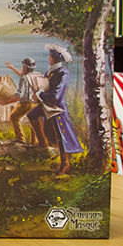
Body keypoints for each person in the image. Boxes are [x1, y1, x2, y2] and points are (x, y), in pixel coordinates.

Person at [27, 44, 83, 175]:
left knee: (60, 134)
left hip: (57, 108)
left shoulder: (64, 73)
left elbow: (56, 96)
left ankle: (65, 163)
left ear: (56, 59)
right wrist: (36, 93)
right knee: (31, 115)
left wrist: (40, 95)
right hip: (47, 104)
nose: (49, 59)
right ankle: (43, 143)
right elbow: (44, 87)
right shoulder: (50, 72)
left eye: (51, 57)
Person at [2, 57, 40, 144]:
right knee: (33, 120)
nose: (22, 67)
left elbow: (18, 97)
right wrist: (12, 67)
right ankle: (35, 142)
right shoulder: (37, 75)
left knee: (13, 117)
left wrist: (6, 102)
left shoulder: (24, 78)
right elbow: (21, 73)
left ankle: (21, 139)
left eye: (23, 66)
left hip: (26, 103)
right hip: (36, 103)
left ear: (25, 68)